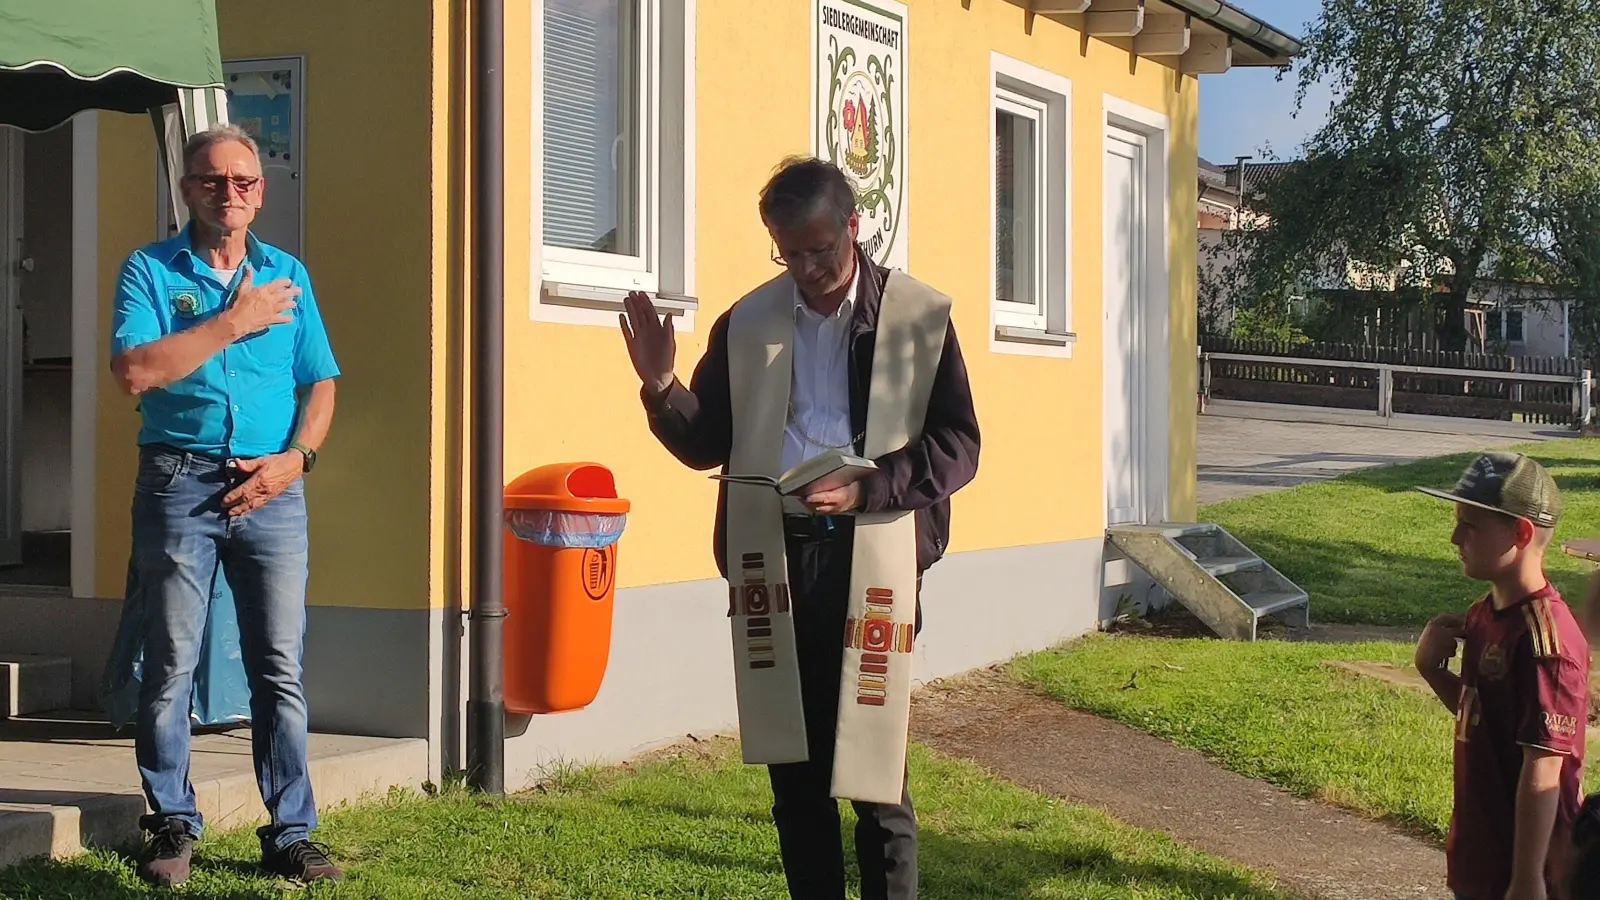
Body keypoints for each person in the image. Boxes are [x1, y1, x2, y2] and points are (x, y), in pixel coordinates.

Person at [620, 156, 980, 899]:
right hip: (776, 562)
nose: (808, 267)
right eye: (790, 252)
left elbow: (958, 443)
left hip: (872, 558)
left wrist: (874, 487)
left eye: (821, 249)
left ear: (854, 226)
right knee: (797, 779)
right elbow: (707, 441)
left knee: (877, 780)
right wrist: (661, 385)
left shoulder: (914, 318)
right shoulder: (749, 321)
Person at [109, 124, 342, 886]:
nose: (229, 193)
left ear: (260, 192)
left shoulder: (288, 275)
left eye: (244, 181)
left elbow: (321, 382)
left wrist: (296, 460)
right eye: (213, 181)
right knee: (171, 662)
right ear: (188, 190)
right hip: (179, 483)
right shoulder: (149, 271)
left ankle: (292, 833)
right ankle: (172, 823)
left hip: (272, 492)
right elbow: (137, 371)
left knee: (279, 665)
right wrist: (232, 323)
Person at [1414, 452, 1590, 900]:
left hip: (1525, 870)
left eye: (1470, 525)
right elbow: (1490, 721)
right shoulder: (1484, 615)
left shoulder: (1546, 642)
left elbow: (1544, 769)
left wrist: (1528, 878)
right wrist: (1431, 671)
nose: (1455, 537)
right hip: (1480, 853)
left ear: (1522, 532)